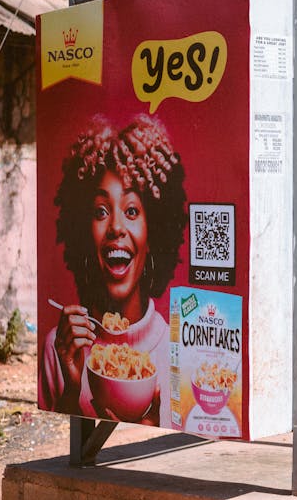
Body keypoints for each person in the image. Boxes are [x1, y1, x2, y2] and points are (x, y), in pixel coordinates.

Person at [39, 115, 187, 425]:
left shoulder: (177, 351)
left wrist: (150, 430)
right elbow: (55, 440)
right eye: (101, 211)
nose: (116, 227)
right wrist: (72, 392)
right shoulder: (60, 347)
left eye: (131, 210)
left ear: (154, 231)